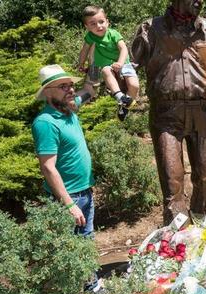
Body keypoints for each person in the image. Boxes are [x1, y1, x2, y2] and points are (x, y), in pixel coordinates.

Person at [131, 0, 206, 226]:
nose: (200, 1)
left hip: (205, 112)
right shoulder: (151, 29)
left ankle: (198, 225)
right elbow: (130, 65)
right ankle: (178, 240)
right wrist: (113, 75)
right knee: (172, 181)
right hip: (166, 113)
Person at [32, 64, 97, 238]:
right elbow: (48, 168)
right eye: (63, 86)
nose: (70, 90)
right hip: (68, 198)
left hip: (85, 192)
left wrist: (95, 64)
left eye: (70, 85)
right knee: (71, 250)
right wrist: (68, 205)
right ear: (47, 92)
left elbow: (89, 91)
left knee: (86, 245)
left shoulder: (68, 108)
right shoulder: (46, 122)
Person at [78, 5, 139, 121]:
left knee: (134, 85)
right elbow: (84, 50)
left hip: (121, 63)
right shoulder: (90, 36)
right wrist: (81, 63)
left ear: (107, 22)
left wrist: (120, 63)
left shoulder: (113, 34)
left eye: (101, 22)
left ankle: (125, 105)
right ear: (87, 27)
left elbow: (124, 49)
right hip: (98, 66)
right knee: (95, 82)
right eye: (93, 24)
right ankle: (120, 96)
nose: (99, 26)